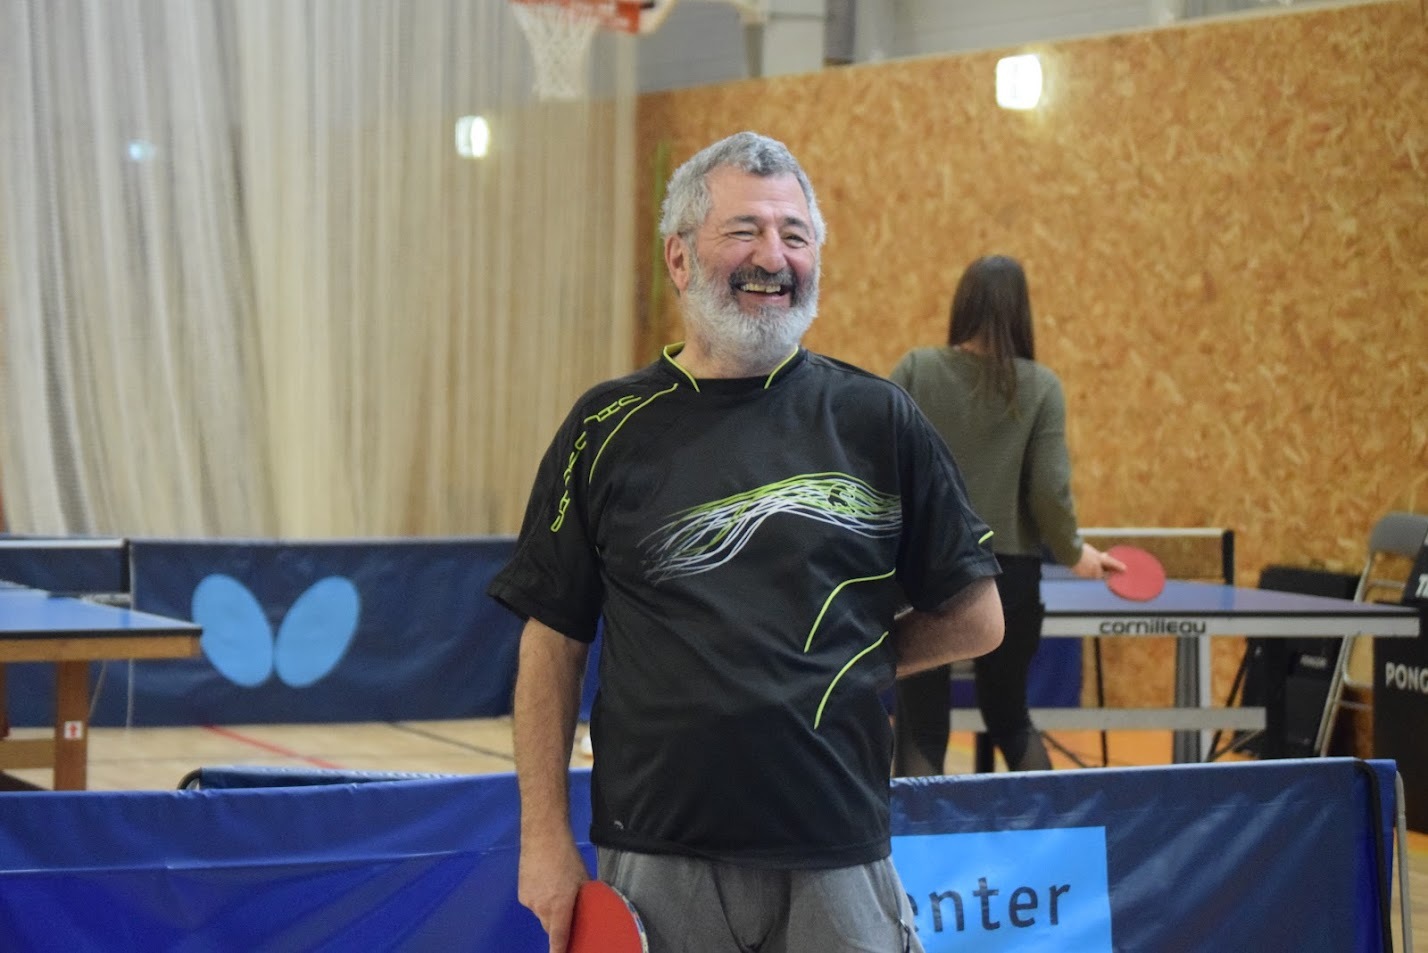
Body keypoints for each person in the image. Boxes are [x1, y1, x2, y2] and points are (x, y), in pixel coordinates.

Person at [487, 131, 1004, 953]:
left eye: (795, 235)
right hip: (658, 855)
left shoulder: (878, 420)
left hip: (838, 847)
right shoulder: (604, 427)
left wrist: (847, 662)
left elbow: (977, 617)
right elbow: (552, 644)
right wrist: (544, 839)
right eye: (745, 230)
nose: (774, 256)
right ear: (680, 257)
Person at [889, 254, 1125, 777]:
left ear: (963, 304)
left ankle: (923, 835)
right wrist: (1075, 554)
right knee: (1010, 717)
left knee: (921, 726)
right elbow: (1049, 491)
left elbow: (881, 467)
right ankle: (1047, 828)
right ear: (1022, 312)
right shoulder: (1041, 387)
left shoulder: (916, 370)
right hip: (1008, 577)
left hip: (924, 569)